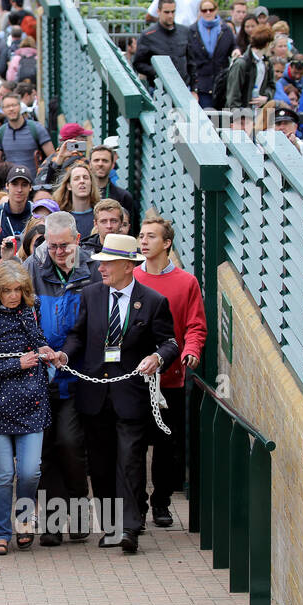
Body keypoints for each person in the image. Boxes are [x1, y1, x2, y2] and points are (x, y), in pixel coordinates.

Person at [58, 234, 179, 553]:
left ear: (128, 265)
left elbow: (170, 343)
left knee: (129, 460)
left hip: (131, 396)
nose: (101, 269)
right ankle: (111, 526)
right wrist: (65, 356)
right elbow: (78, 335)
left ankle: (130, 527)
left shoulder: (153, 301)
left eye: (108, 263)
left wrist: (157, 358)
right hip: (94, 395)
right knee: (100, 464)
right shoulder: (91, 296)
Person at [0, 260, 60, 555]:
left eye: (18, 290)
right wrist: (17, 363)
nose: (13, 296)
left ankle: (24, 521)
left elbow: (38, 342)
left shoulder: (29, 312)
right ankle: (0, 532)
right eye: (7, 290)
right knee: (1, 474)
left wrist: (47, 352)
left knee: (30, 472)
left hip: (32, 404)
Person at [26, 211, 98, 545]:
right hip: (40, 376)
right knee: (46, 448)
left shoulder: (93, 271)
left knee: (70, 444)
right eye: (52, 245)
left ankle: (80, 508)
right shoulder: (32, 268)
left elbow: (92, 325)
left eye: (64, 246)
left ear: (77, 240)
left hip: (78, 376)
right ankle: (53, 524)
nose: (58, 251)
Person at [134, 214, 207, 529]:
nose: (144, 241)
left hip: (171, 379)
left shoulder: (186, 282)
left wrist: (191, 351)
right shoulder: (131, 277)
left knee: (166, 445)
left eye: (151, 236)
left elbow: (195, 325)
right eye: (142, 235)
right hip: (134, 379)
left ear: (166, 243)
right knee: (133, 443)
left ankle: (160, 503)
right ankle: (135, 504)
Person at [186, 0, 235, 109]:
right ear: (200, 12)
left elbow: (233, 47)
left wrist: (236, 51)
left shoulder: (225, 30)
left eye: (211, 10)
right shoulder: (192, 31)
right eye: (204, 10)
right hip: (201, 84)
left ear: (216, 10)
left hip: (221, 83)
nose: (208, 13)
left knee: (222, 121)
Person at [134, 0, 194, 88]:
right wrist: (159, 73)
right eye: (166, 12)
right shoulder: (148, 36)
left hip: (184, 87)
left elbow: (192, 62)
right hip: (158, 89)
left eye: (173, 12)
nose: (170, 15)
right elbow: (139, 63)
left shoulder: (185, 32)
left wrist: (194, 89)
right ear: (159, 12)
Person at [0, 94, 53, 177]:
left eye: (14, 105)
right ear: (3, 110)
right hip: (11, 183)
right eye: (7, 106)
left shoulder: (36, 128)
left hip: (34, 182)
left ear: (20, 106)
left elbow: (52, 157)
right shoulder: (1, 132)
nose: (11, 109)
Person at [224, 24, 274, 110]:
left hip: (260, 114)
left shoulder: (267, 63)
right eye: (271, 44)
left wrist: (266, 98)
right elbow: (233, 97)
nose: (272, 47)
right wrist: (239, 117)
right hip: (242, 116)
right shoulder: (241, 64)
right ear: (267, 44)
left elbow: (271, 85)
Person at [88, 146, 136, 225]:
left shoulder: (123, 196)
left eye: (105, 161)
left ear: (112, 165)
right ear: (90, 164)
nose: (100, 164)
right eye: (96, 160)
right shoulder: (81, 194)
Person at [53, 162, 100, 240]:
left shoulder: (100, 217)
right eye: (76, 178)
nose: (82, 181)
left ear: (91, 183)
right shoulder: (60, 218)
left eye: (85, 177)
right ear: (69, 186)